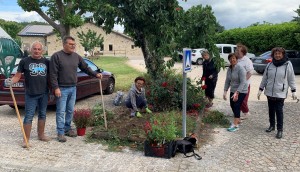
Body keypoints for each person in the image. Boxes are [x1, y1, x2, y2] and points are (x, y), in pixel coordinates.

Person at [49, 36, 102, 142]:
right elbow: (53, 74)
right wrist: (56, 88)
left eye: (74, 44)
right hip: (61, 89)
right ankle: (60, 132)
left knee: (70, 110)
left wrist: (96, 74)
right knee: (60, 111)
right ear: (64, 44)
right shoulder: (56, 56)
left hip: (73, 88)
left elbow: (85, 68)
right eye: (70, 44)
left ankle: (67, 129)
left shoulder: (76, 57)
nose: (73, 46)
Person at [5, 41, 51, 148]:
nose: (37, 51)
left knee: (43, 114)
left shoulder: (46, 62)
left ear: (42, 51)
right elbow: (17, 76)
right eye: (34, 49)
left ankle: (41, 135)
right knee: (29, 116)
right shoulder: (24, 61)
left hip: (44, 93)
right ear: (31, 50)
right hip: (31, 94)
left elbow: (51, 76)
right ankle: (26, 140)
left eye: (39, 49)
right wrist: (11, 81)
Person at [257, 47, 297, 139]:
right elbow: (265, 78)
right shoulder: (270, 64)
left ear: (283, 55)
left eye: (279, 54)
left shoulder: (287, 64)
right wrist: (260, 89)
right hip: (270, 92)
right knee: (271, 110)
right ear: (273, 55)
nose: (277, 55)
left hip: (281, 92)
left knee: (279, 111)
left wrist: (293, 90)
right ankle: (272, 125)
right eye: (276, 54)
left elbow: (291, 78)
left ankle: (280, 129)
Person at [223, 53, 248, 132]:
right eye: (230, 59)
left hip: (242, 90)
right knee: (232, 105)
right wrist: (225, 91)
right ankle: (238, 119)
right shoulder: (229, 69)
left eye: (234, 58)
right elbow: (227, 80)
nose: (232, 60)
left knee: (236, 105)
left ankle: (235, 125)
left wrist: (237, 93)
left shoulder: (241, 68)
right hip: (233, 90)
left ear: (236, 59)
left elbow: (243, 82)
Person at [236, 44, 254, 119]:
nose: (236, 51)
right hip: (236, 83)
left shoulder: (247, 60)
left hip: (245, 84)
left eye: (238, 51)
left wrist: (243, 80)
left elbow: (250, 72)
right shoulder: (236, 59)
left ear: (243, 52)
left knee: (243, 99)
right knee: (236, 98)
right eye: (236, 50)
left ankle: (246, 112)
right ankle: (238, 111)